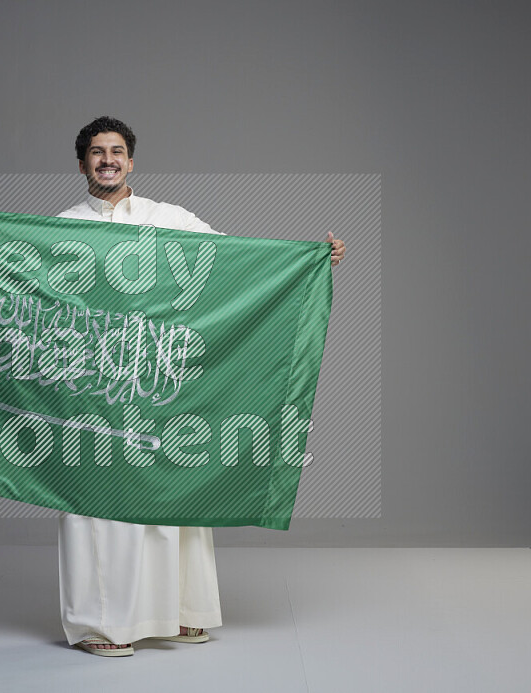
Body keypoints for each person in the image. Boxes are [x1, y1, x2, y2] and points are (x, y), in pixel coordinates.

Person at [55, 116, 346, 657]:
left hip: (158, 381)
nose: (108, 160)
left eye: (117, 151)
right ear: (81, 164)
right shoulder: (61, 228)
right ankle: (100, 625)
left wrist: (308, 260)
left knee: (170, 496)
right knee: (97, 508)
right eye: (97, 152)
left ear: (132, 161)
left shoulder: (169, 218)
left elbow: (234, 262)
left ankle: (178, 612)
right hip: (91, 389)